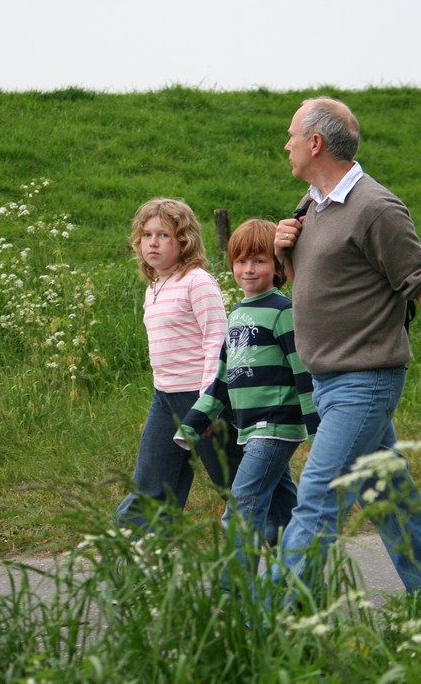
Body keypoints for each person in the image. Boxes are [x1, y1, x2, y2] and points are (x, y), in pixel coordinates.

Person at [267, 97, 421, 597]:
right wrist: (285, 256)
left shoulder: (376, 208)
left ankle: (271, 615)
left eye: (292, 135)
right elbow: (319, 291)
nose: (286, 145)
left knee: (319, 496)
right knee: (390, 496)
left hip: (364, 382)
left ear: (315, 143)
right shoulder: (310, 205)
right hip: (328, 382)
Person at [174, 219, 319, 576]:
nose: (249, 269)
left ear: (279, 266)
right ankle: (302, 584)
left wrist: (319, 428)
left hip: (275, 427)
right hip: (250, 429)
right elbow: (223, 378)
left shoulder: (283, 311)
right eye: (241, 261)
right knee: (285, 515)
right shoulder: (237, 314)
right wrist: (194, 423)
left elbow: (303, 372)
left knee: (241, 508)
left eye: (259, 260)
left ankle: (236, 592)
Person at [114, 198, 239, 531]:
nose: (152, 243)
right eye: (147, 235)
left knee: (235, 482)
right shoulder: (155, 286)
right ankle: (139, 548)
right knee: (152, 482)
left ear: (184, 241)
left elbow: (218, 341)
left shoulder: (198, 282)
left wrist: (208, 402)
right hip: (165, 399)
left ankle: (284, 537)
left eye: (164, 235)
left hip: (203, 399)